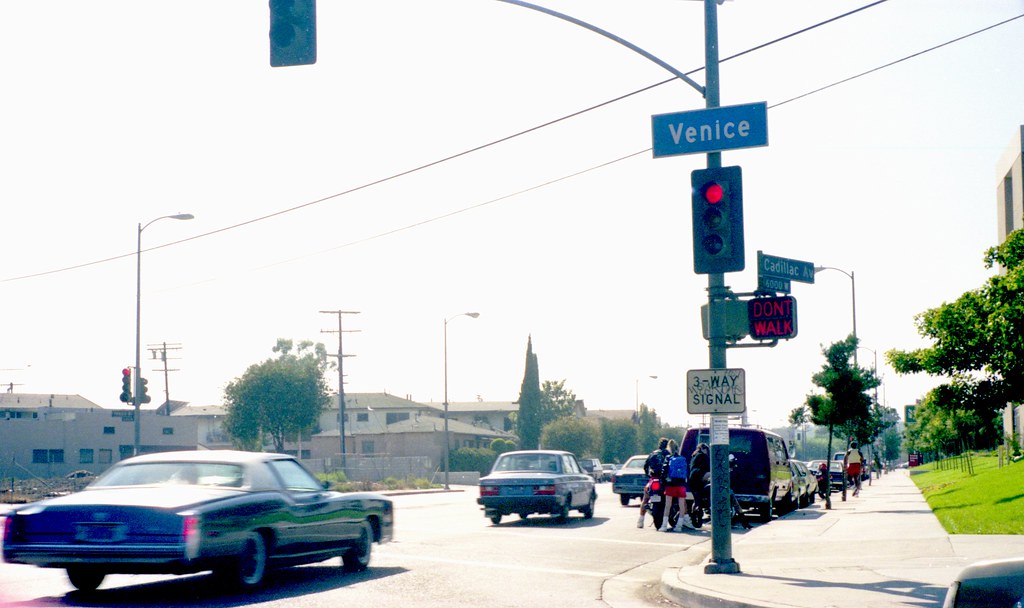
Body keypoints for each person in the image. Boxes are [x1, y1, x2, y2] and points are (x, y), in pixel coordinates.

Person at [637, 437, 672, 528]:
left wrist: (649, 476)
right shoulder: (668, 454)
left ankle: (640, 520)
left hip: (653, 479)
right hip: (664, 480)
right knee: (671, 497)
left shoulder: (652, 454)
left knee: (645, 498)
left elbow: (645, 467)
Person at [661, 443, 696, 532]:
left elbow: (664, 471)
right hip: (681, 485)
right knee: (682, 506)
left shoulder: (668, 458)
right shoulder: (682, 459)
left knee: (667, 505)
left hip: (670, 484)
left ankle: (664, 526)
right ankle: (679, 526)